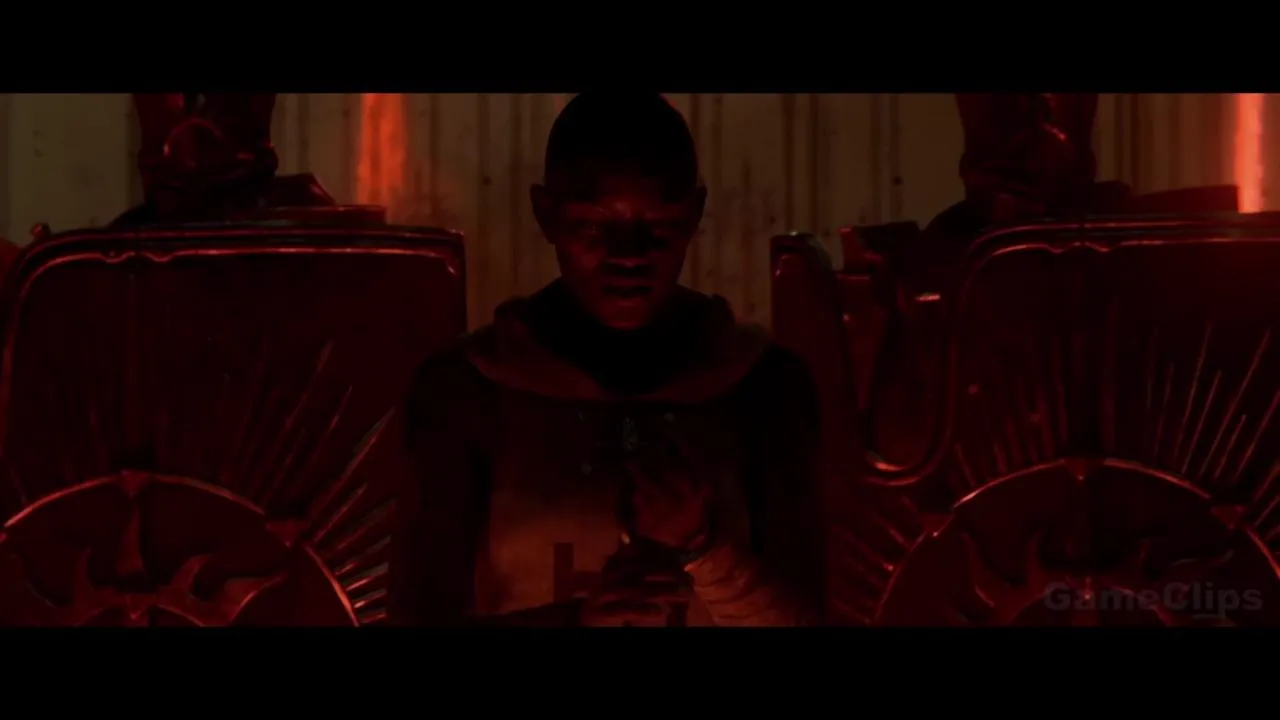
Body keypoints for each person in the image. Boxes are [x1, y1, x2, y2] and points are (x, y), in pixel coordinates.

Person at [389, 92, 822, 627]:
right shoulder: (467, 392)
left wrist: (704, 548)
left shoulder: (762, 386)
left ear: (693, 215)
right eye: (594, 228)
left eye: (658, 226)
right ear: (546, 215)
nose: (628, 256)